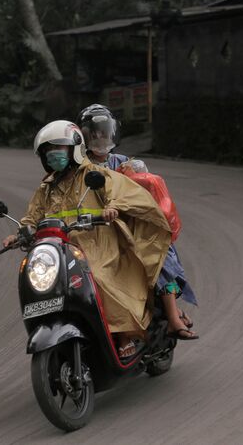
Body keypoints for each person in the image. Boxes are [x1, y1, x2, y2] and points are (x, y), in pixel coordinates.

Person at [3, 120, 173, 359]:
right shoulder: (47, 188)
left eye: (58, 149)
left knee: (99, 278)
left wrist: (113, 207)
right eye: (48, 151)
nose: (53, 155)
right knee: (41, 281)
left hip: (98, 244)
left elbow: (123, 192)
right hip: (61, 250)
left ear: (73, 149)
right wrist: (19, 234)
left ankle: (124, 335)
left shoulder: (94, 174)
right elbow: (32, 216)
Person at [77, 104, 198, 340]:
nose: (100, 137)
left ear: (112, 132)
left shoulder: (127, 163)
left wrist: (132, 177)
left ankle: (172, 318)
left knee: (160, 256)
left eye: (104, 131)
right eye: (93, 132)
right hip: (94, 231)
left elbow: (146, 194)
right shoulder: (78, 168)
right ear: (83, 136)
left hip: (131, 227)